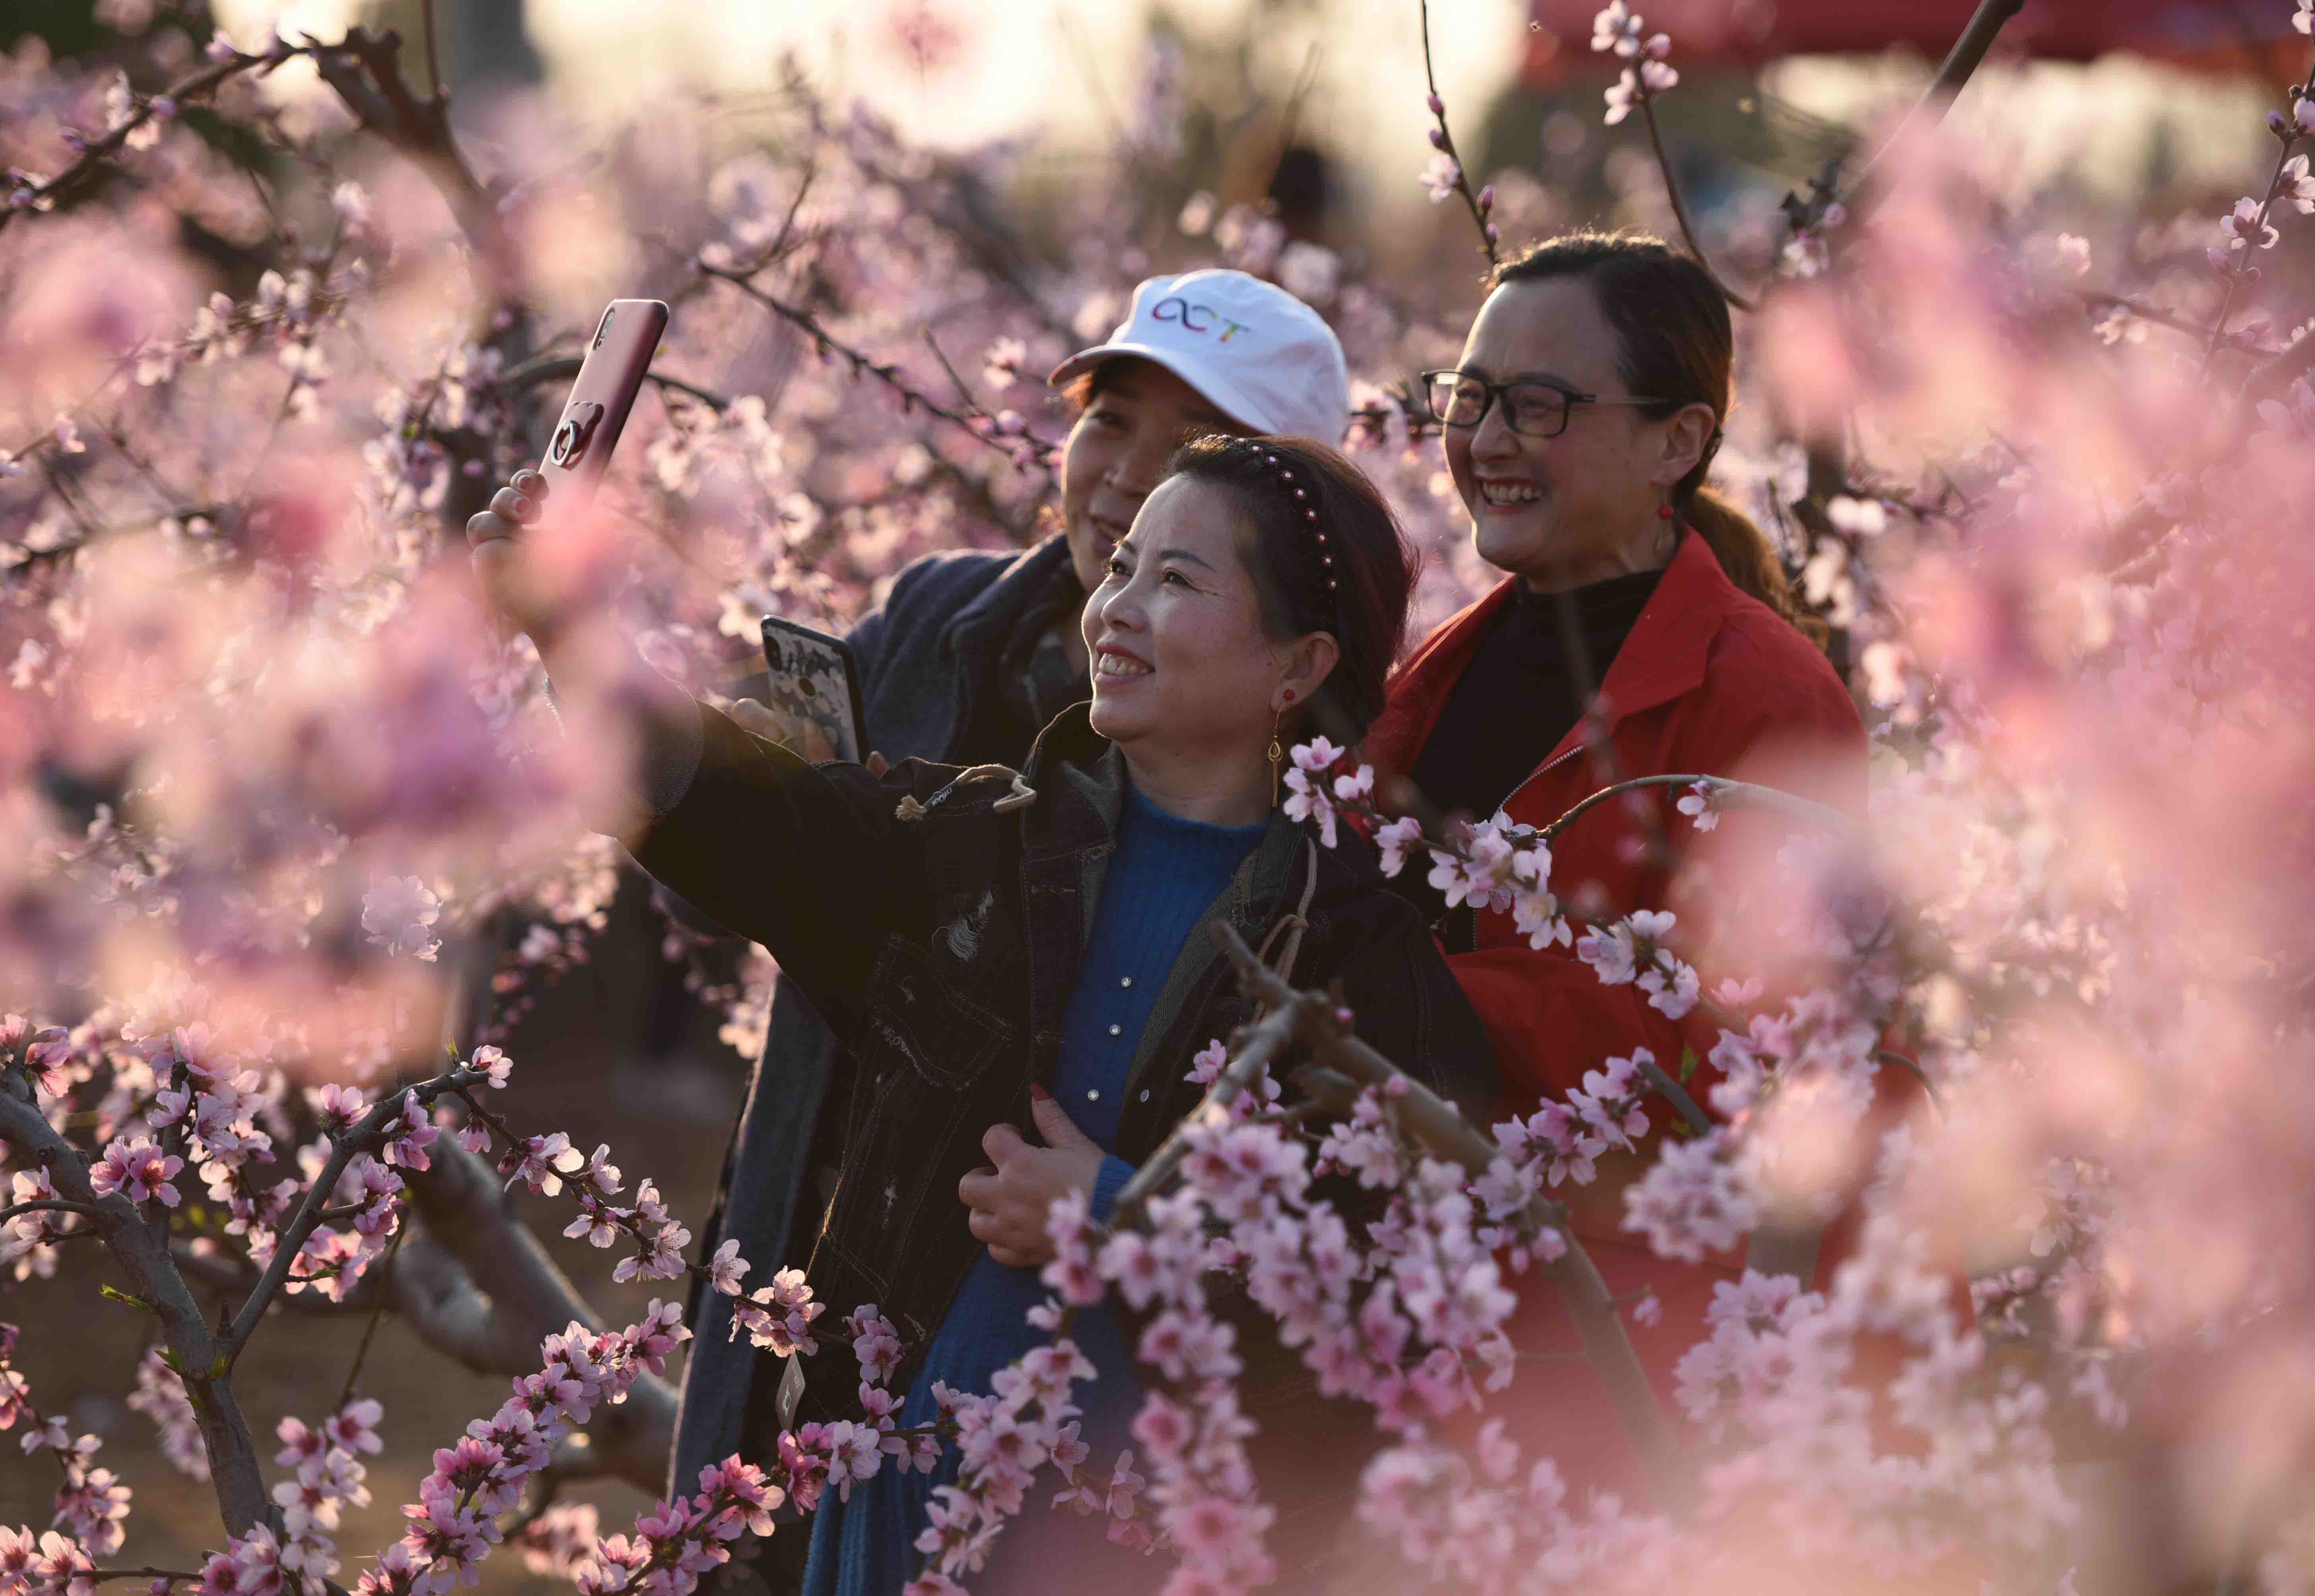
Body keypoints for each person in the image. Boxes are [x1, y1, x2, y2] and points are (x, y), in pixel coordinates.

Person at [467, 431, 1495, 1594]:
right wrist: (570, 637)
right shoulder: (976, 852)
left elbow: (1391, 1289)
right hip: (900, 1489)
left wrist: (1121, 1213)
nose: (1117, 605)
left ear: (1299, 665)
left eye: (1179, 580)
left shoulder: (1361, 959)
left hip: (1152, 1541)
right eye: (1124, 567)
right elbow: (757, 819)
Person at [675, 266, 1355, 1579]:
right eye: (1111, 420)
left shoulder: (1328, 869)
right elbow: (761, 864)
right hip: (829, 1240)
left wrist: (1126, 1212)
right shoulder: (943, 625)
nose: (1125, 472)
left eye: (1194, 448)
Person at [1360, 230, 1876, 1493]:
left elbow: (1747, 1054)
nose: (1485, 439)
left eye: (1540, 404)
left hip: (1632, 1367)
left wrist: (1418, 1009)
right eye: (1471, 397)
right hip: (1430, 1322)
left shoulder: (1768, 702)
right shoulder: (1442, 667)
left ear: (1676, 441)